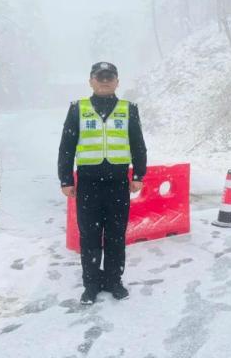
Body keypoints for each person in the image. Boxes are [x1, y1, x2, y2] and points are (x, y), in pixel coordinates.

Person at [58, 61, 147, 305]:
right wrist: (66, 179)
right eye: (100, 77)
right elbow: (67, 147)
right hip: (88, 184)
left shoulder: (129, 109)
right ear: (91, 81)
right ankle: (92, 284)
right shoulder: (78, 108)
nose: (105, 80)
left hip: (118, 184)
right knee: (90, 236)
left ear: (117, 81)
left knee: (116, 236)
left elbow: (137, 143)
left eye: (110, 77)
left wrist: (139, 174)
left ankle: (113, 281)